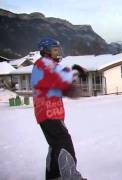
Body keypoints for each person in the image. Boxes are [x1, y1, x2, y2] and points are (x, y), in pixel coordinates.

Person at [31, 37, 87, 180]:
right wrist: (74, 73)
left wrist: (73, 74)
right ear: (46, 51)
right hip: (48, 112)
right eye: (55, 49)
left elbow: (55, 83)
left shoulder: (46, 64)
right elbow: (59, 79)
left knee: (56, 145)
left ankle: (53, 175)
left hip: (50, 113)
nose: (58, 52)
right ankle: (71, 177)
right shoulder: (44, 63)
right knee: (64, 143)